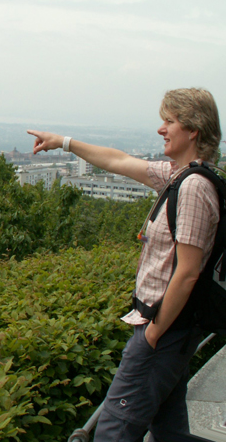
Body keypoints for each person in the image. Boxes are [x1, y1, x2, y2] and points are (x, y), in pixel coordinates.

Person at [29, 87, 219, 441]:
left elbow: (188, 272)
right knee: (169, 429)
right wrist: (63, 141)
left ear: (193, 130)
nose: (162, 129)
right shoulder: (178, 176)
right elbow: (117, 160)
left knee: (113, 429)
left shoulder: (193, 187)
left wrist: (152, 335)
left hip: (164, 331)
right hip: (168, 330)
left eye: (170, 121)